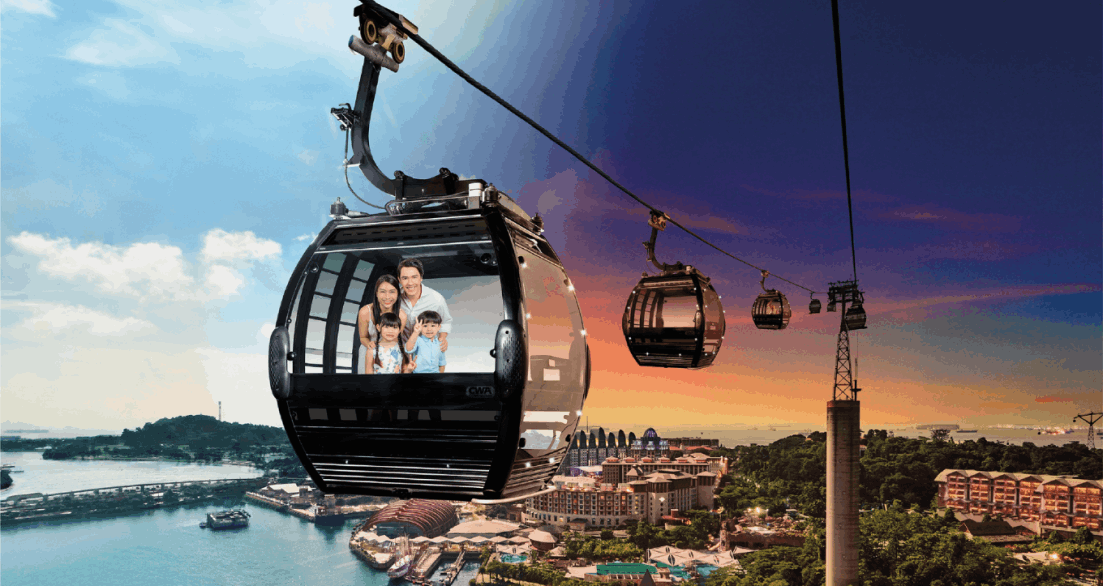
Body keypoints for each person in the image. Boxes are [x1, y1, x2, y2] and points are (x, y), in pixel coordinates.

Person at [397, 258, 453, 352]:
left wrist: (442, 338)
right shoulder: (394, 298)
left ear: (421, 277)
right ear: (399, 280)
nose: (410, 283)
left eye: (414, 277)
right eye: (405, 278)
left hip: (425, 350)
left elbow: (446, 322)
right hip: (399, 349)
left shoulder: (436, 299)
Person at [358, 274, 408, 361]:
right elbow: (363, 337)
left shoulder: (402, 316)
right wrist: (370, 344)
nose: (387, 297)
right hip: (369, 351)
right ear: (376, 293)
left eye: (392, 292)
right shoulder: (365, 312)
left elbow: (396, 340)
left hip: (390, 353)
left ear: (397, 294)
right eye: (382, 291)